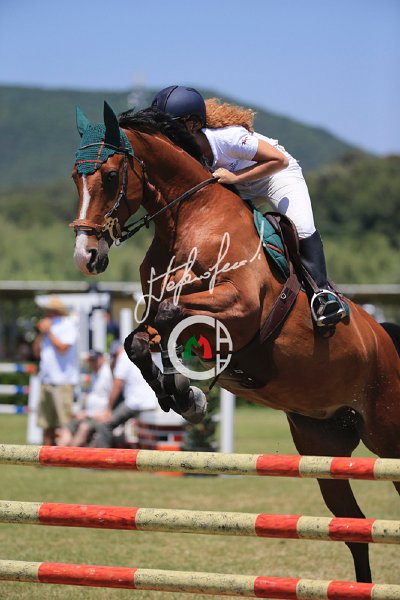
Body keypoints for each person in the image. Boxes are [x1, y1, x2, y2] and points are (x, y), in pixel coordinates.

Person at [151, 85, 347, 328]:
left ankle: (323, 294)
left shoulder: (228, 138)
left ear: (191, 124)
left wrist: (236, 177)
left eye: (168, 127)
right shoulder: (186, 154)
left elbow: (278, 160)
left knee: (302, 227)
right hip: (237, 184)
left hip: (275, 176)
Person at [32, 297, 79, 446]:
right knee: (46, 424)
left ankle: (65, 454)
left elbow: (63, 348)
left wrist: (49, 332)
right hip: (46, 380)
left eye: (49, 311)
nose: (46, 314)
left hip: (63, 382)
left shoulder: (67, 326)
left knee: (65, 424)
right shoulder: (47, 330)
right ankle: (46, 454)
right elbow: (36, 352)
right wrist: (42, 334)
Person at [93, 342, 158, 448]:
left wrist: (108, 410)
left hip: (136, 403)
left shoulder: (124, 357)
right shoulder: (145, 354)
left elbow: (117, 385)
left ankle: (104, 456)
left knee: (104, 425)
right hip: (151, 402)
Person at [57, 350, 113, 447]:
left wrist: (86, 413)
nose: (92, 363)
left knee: (83, 428)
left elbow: (107, 404)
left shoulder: (107, 375)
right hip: (88, 414)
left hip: (98, 416)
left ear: (102, 359)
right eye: (91, 361)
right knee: (65, 430)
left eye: (94, 360)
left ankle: (69, 454)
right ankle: (62, 453)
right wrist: (81, 412)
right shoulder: (95, 374)